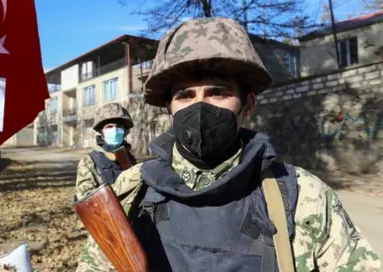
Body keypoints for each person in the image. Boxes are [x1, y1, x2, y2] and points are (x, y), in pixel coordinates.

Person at [75, 17, 381, 271]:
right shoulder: (130, 191)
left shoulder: (303, 197)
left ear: (248, 105)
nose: (199, 107)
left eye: (217, 92)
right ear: (169, 108)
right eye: (185, 95)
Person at [74, 102, 137, 201]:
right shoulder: (89, 162)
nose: (115, 130)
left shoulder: (130, 158)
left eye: (119, 127)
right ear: (101, 131)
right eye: (109, 127)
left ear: (125, 131)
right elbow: (87, 201)